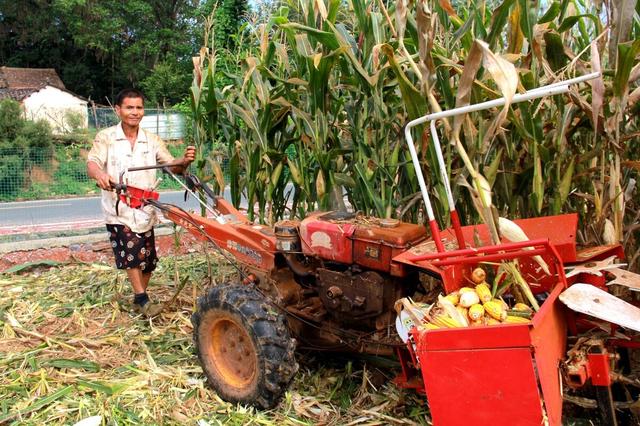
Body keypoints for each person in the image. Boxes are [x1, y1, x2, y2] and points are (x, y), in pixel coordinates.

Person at [87, 88, 196, 316]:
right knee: (131, 253)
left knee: (148, 260)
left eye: (138, 108)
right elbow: (93, 163)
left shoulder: (151, 140)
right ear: (118, 110)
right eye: (129, 107)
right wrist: (100, 175)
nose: (134, 112)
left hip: (145, 207)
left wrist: (183, 161)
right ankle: (142, 298)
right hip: (119, 207)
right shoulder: (106, 137)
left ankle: (139, 302)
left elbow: (170, 166)